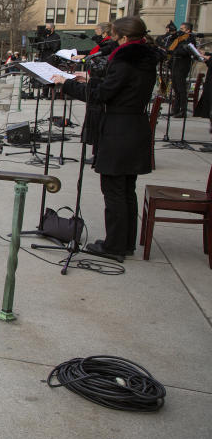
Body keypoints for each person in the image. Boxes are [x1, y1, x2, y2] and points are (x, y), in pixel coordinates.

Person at [52, 16, 158, 260]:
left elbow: (102, 95)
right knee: (126, 189)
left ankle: (114, 246)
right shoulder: (142, 57)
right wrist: (90, 79)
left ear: (121, 37)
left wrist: (65, 84)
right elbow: (122, 86)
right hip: (134, 126)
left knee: (114, 190)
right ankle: (125, 242)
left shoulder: (124, 60)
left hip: (120, 130)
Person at [168, 22, 199, 118]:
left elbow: (186, 51)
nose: (179, 30)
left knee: (181, 88)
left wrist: (175, 51)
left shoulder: (190, 39)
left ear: (188, 30)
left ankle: (183, 110)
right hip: (175, 63)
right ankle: (175, 109)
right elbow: (171, 47)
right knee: (175, 87)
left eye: (182, 29)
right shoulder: (178, 38)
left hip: (182, 64)